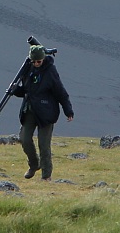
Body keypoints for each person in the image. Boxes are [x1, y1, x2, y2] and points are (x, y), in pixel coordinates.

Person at [10, 43, 74, 180]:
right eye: (34, 61)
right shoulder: (27, 69)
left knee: (44, 145)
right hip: (30, 110)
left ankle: (46, 176)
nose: (36, 63)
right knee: (24, 139)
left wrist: (68, 110)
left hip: (46, 112)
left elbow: (61, 92)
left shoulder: (50, 71)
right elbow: (26, 91)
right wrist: (15, 90)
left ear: (43, 59)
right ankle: (34, 165)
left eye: (39, 61)